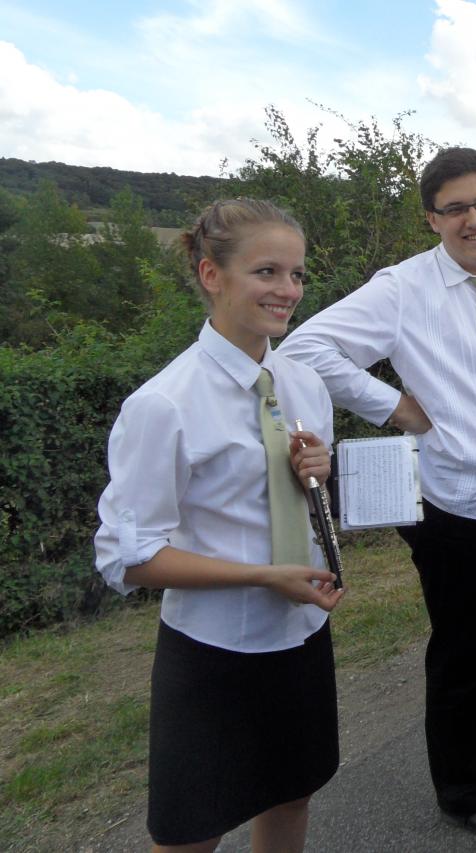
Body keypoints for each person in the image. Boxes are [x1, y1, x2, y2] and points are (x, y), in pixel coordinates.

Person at [279, 147, 476, 842]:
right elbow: (305, 348)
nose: (474, 219)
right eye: (455, 209)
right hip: (461, 506)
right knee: (466, 653)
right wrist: (392, 406)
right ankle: (464, 791)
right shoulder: (402, 288)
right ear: (432, 219)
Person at [94, 198, 344, 852]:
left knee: (292, 796)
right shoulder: (163, 404)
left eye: (296, 274)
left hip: (302, 635)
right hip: (213, 657)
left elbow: (294, 499)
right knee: (190, 832)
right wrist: (263, 575)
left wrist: (315, 471)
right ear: (211, 274)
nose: (287, 290)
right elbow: (131, 557)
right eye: (267, 271)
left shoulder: (303, 383)